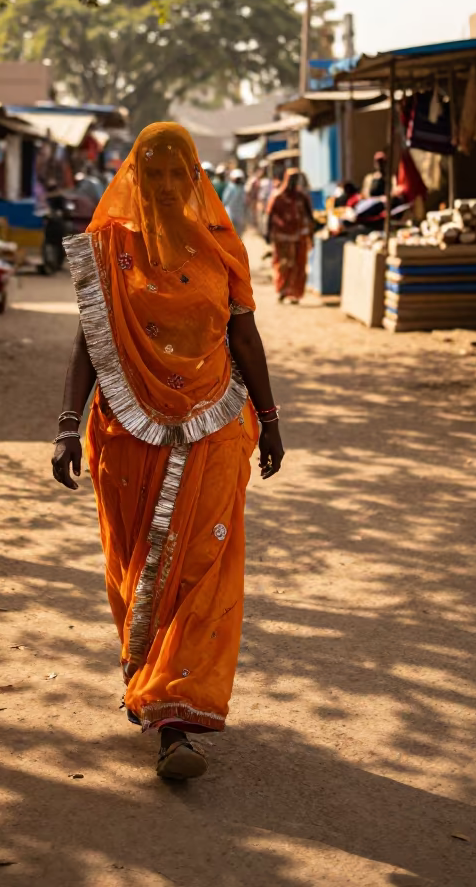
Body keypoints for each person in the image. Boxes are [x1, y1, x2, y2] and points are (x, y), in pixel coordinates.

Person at [52, 123, 284, 782]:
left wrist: (270, 420)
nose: (161, 186)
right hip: (126, 439)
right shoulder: (110, 249)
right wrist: (68, 424)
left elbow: (246, 337)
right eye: (149, 175)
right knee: (140, 569)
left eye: (173, 174)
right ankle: (154, 688)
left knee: (201, 565)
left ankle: (174, 718)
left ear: (193, 179)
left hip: (214, 427)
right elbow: (87, 343)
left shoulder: (220, 247)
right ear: (134, 179)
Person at [266, 168, 315, 303]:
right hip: (282, 236)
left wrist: (311, 234)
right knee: (283, 264)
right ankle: (282, 290)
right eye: (291, 179)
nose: (293, 182)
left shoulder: (302, 197)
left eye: (296, 179)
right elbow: (270, 215)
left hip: (299, 235)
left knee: (299, 265)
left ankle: (295, 293)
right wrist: (268, 233)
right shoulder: (278, 196)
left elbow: (309, 216)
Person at [222, 168, 247, 237]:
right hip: (232, 213)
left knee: (237, 234)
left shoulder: (241, 188)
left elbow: (225, 200)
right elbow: (225, 200)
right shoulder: (231, 187)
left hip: (237, 214)